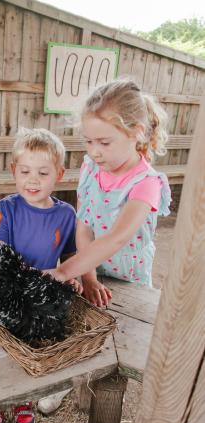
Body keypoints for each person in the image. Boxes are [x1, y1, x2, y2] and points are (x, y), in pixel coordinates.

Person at [0, 127, 78, 423]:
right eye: (25, 170)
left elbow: (68, 256)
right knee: (4, 345)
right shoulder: (7, 208)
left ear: (59, 174)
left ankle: (25, 398)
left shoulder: (66, 215)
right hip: (10, 288)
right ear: (14, 170)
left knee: (32, 345)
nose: (33, 179)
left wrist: (72, 276)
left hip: (42, 290)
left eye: (43, 172)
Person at [52, 78, 171, 302]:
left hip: (131, 281)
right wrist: (88, 276)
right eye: (89, 141)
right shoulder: (90, 168)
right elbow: (84, 226)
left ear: (136, 132)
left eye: (104, 143)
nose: (95, 152)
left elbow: (116, 238)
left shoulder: (146, 183)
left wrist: (63, 271)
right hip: (94, 270)